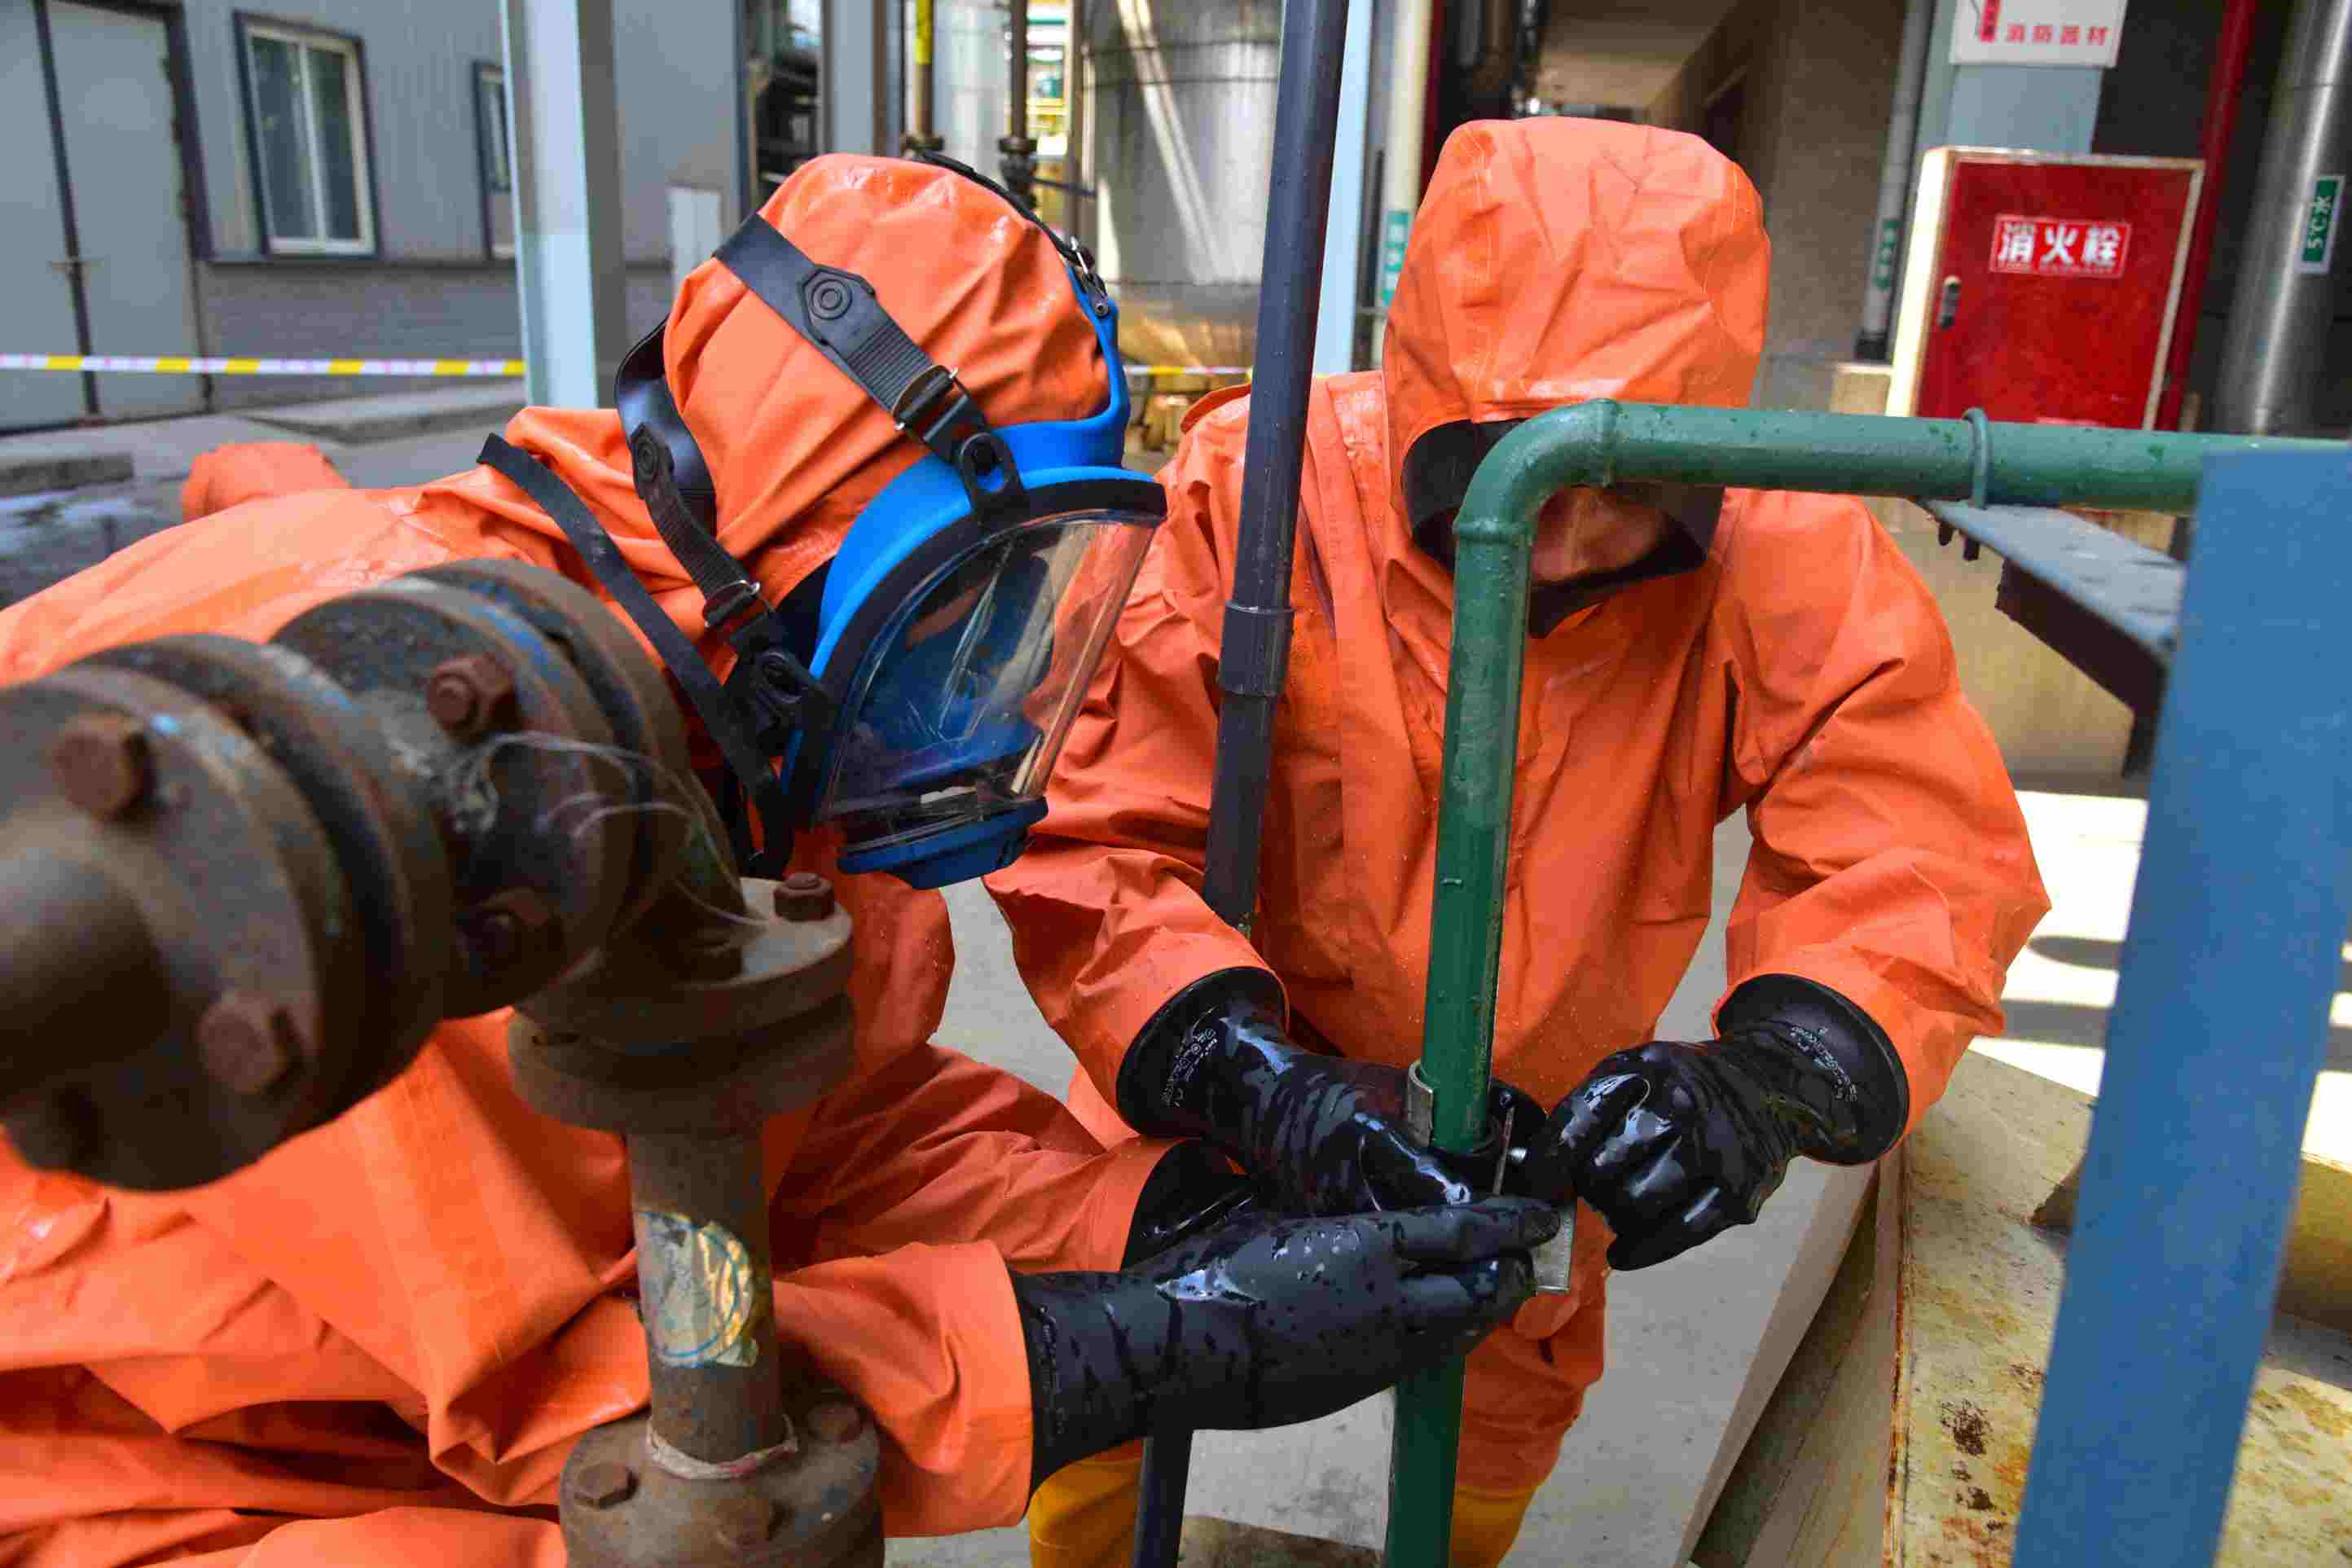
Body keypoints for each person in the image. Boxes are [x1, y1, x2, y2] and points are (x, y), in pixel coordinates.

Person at [0, 152, 1552, 1566]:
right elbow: (583, 1398)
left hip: (356, 1421)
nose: (1001, 683)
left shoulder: (749, 730)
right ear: (825, 531)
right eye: (980, 600)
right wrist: (1119, 1347)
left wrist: (1168, 1218)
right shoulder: (414, 770)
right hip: (136, 1465)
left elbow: (814, 1147)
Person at [987, 117, 2051, 1566]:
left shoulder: (1780, 543)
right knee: (1121, 1293)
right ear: (1427, 403)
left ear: (1694, 453)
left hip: (1534, 1102)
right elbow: (1098, 827)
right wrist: (1259, 1083)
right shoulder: (1260, 488)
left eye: (1623, 490)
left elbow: (1915, 840)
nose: (1567, 541)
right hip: (1225, 1036)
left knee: (1507, 1371)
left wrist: (1766, 1078)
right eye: (1519, 477)